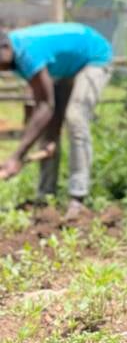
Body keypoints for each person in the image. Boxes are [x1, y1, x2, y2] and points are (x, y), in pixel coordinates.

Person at [0, 22, 113, 221]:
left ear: (5, 47)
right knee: (47, 130)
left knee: (75, 117)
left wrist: (17, 156)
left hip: (94, 58)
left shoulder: (26, 52)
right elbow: (44, 105)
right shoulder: (14, 56)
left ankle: (78, 197)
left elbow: (45, 105)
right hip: (64, 69)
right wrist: (49, 134)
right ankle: (45, 197)